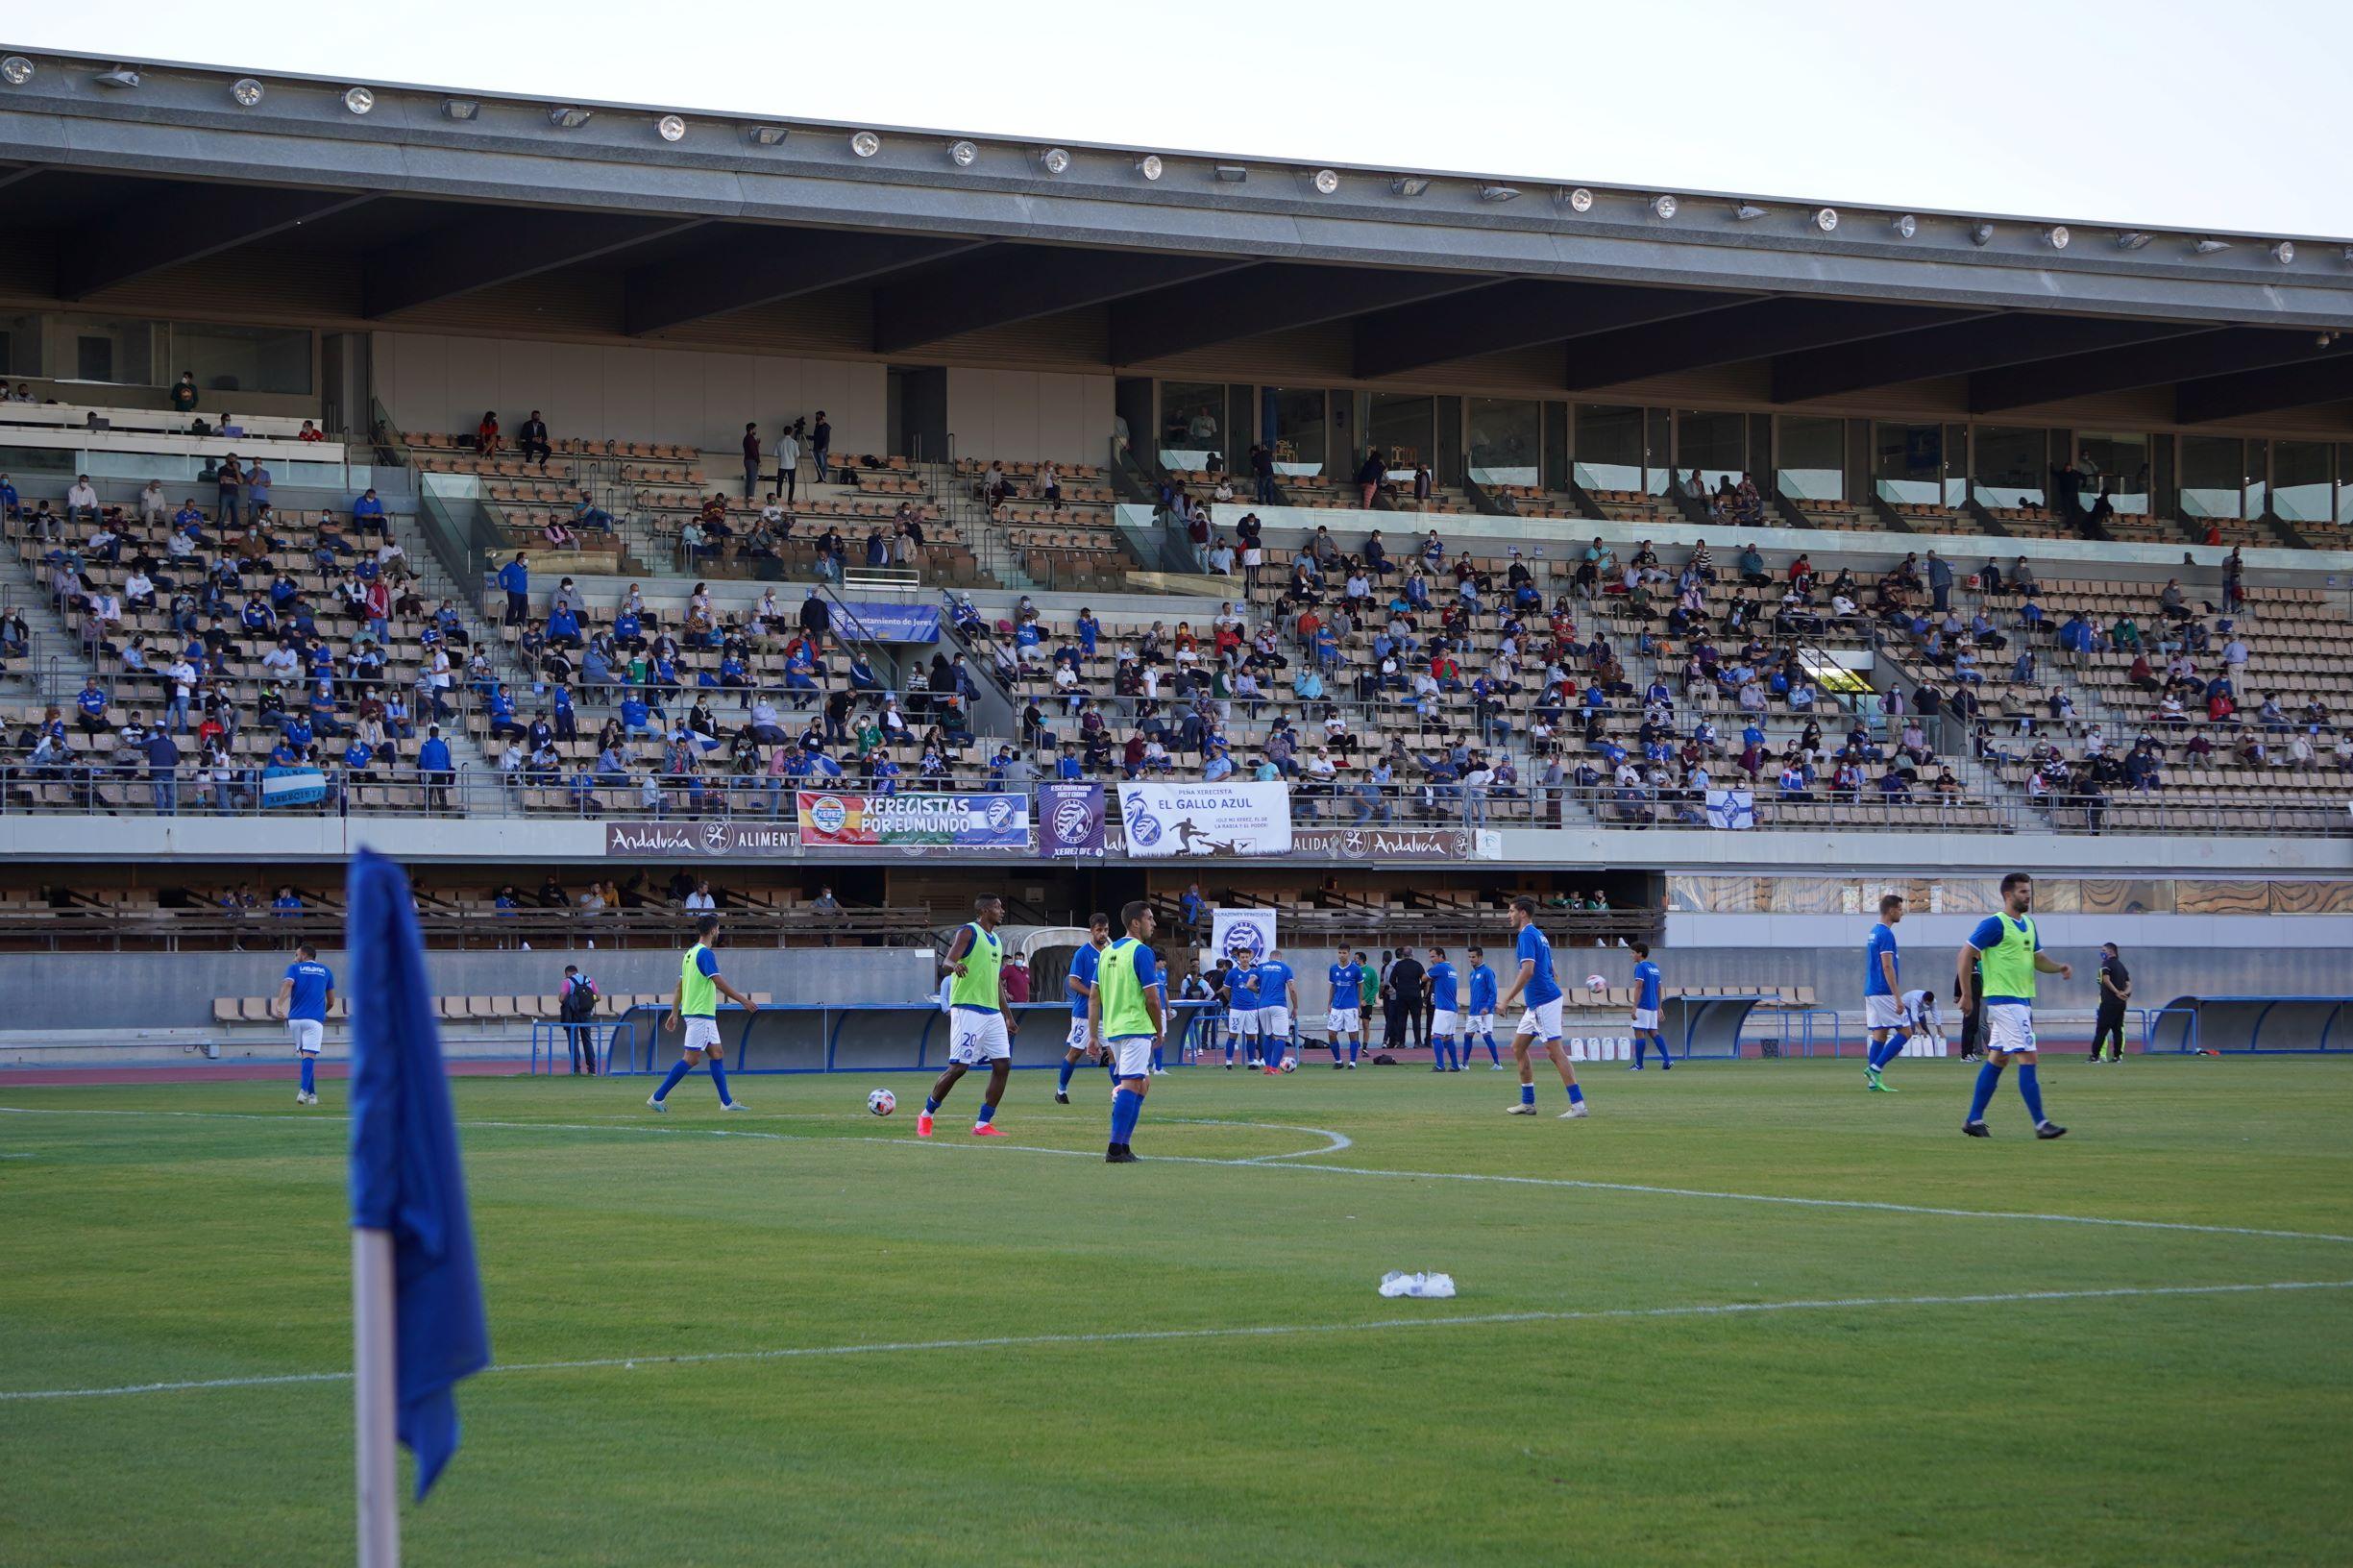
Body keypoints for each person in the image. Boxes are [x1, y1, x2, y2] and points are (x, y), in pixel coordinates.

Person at [1958, 872, 2071, 1139]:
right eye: (2022, 892)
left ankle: (1973, 1119)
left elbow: (2037, 959)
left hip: (2021, 1001)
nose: (2027, 895)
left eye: (2028, 891)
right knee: (2028, 1056)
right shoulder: (1994, 924)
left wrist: (2058, 968)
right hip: (2005, 1001)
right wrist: (1967, 994)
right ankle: (2041, 1124)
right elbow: (1965, 954)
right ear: (2008, 896)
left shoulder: (2029, 924)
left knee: (1998, 1058)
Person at [919, 894, 1017, 1138]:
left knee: (1003, 1064)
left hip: (992, 1012)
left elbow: (996, 983)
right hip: (967, 1008)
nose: (1001, 910)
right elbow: (948, 961)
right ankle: (926, 1114)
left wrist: (1008, 1016)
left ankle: (983, 1124)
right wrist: (956, 966)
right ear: (984, 910)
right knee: (959, 1067)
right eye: (997, 906)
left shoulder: (996, 941)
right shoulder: (969, 932)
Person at [647, 913, 758, 1113]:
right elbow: (718, 981)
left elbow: (679, 987)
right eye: (719, 928)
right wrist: (743, 1000)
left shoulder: (689, 954)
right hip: (701, 1014)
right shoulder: (705, 954)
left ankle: (726, 1102)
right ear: (714, 930)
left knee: (717, 1054)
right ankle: (657, 1097)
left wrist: (674, 1012)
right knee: (691, 1058)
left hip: (697, 1013)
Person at [1091, 899, 1165, 1164]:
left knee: (1142, 1085)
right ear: (1136, 922)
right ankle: (1115, 1147)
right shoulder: (1142, 952)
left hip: (1114, 1029)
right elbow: (1152, 998)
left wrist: (1093, 1035)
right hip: (1135, 1027)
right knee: (1132, 1085)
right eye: (1150, 919)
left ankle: (1123, 1144)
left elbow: (1094, 997)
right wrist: (1160, 1030)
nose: (1153, 924)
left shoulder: (1106, 953)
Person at [1502, 895, 1586, 1117]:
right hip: (1539, 1003)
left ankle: (1578, 1105)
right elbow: (1551, 968)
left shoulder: (1527, 935)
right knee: (1518, 1047)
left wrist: (1506, 999)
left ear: (1522, 913)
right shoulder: (1538, 935)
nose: (1508, 915)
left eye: (1511, 911)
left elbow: (1528, 970)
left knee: (1554, 1052)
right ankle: (1528, 1103)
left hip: (1543, 1001)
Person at [1056, 914, 1113, 1104]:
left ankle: (1119, 1094)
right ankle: (1061, 1091)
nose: (1102, 934)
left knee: (1112, 1053)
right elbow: (1073, 982)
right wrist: (1094, 995)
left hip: (1107, 1013)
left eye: (1105, 930)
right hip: (1084, 1013)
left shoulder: (1110, 953)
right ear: (1092, 931)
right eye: (1099, 930)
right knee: (1075, 1053)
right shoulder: (1083, 953)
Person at [274, 942, 335, 1107]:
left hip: (294, 1019)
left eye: (296, 954)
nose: (295, 958)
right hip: (314, 1019)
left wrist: (279, 1004)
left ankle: (313, 1095)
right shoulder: (326, 971)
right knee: (310, 1056)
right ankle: (303, 1091)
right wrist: (323, 1011)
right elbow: (331, 1001)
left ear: (304, 955)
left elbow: (287, 984)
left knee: (305, 1057)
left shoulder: (294, 969)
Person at [1862, 892, 1907, 1091]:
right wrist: (1898, 997)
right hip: (1883, 991)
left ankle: (1873, 1083)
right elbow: (1887, 967)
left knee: (1879, 1035)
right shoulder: (1886, 934)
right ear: (1891, 911)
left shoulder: (1874, 932)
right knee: (1906, 1031)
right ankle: (1875, 1068)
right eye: (1899, 909)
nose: (1902, 914)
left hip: (1871, 990)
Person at [1252, 947, 1297, 1074]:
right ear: (1280, 958)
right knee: (1280, 1038)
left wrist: (1260, 992)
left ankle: (1267, 1067)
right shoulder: (1285, 968)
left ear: (1269, 958)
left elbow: (1249, 984)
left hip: (1262, 1006)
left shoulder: (1260, 968)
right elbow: (1292, 989)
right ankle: (1273, 1068)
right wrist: (1296, 1007)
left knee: (1268, 1036)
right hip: (1278, 1005)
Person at [1629, 942, 1670, 1069]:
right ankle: (1667, 1060)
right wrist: (1659, 1007)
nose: (1632, 955)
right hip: (1653, 1006)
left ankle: (1639, 1065)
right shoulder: (1654, 967)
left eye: (1633, 953)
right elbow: (1659, 988)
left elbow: (1639, 987)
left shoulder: (1640, 967)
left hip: (1643, 1005)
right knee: (1654, 1033)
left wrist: (1634, 1007)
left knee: (1639, 1033)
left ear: (1640, 954)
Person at [1219, 949, 1262, 1069]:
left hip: (1251, 1008)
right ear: (1238, 958)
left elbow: (1258, 988)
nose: (1244, 959)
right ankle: (1228, 1062)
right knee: (1233, 1034)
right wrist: (1231, 1001)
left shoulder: (1255, 972)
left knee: (1251, 1036)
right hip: (1237, 1009)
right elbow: (1226, 989)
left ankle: (1251, 1062)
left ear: (1250, 958)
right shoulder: (1232, 973)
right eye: (1242, 957)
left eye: (1247, 957)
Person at [2092, 942, 2131, 1064]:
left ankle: (2095, 1056)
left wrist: (2116, 992)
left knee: (2102, 1029)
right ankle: (2117, 1056)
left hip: (2109, 1002)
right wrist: (2125, 993)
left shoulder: (2106, 964)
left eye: (2104, 950)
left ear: (2111, 951)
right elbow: (2129, 984)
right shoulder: (2121, 966)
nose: (2102, 952)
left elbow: (2106, 980)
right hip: (2120, 1003)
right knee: (2117, 1030)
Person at [1464, 945, 1503, 1068]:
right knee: (1467, 1036)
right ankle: (1465, 1064)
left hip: (1484, 1011)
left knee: (1486, 1036)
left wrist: (1488, 1007)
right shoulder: (1472, 974)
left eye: (1473, 957)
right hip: (1473, 1011)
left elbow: (1493, 992)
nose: (1471, 959)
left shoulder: (1487, 972)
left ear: (1480, 957)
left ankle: (1497, 1063)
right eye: (1469, 957)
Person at [558, 964, 601, 1075]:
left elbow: (561, 998)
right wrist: (587, 1002)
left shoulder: (567, 982)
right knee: (587, 1041)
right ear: (577, 971)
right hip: (586, 1014)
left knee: (573, 1042)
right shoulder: (589, 980)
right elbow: (598, 997)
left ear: (567, 973)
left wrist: (572, 1002)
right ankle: (592, 1070)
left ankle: (576, 1070)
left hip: (572, 1015)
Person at [1426, 947, 1462, 1072]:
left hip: (1443, 1008)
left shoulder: (1440, 967)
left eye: (1433, 957)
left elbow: (1424, 978)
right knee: (1448, 1038)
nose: (1431, 960)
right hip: (1452, 1008)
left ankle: (1440, 1065)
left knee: (1436, 1036)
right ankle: (1455, 1065)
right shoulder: (1452, 969)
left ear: (1441, 956)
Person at [1324, 950, 1362, 1069]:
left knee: (1353, 1034)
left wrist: (1359, 1004)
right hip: (1336, 1007)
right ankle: (1338, 1061)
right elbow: (1332, 986)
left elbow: (1361, 987)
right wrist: (1329, 1003)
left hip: (1351, 1007)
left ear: (1348, 954)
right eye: (1340, 952)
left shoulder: (1355, 969)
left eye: (1344, 953)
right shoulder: (1333, 969)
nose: (1342, 955)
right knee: (1331, 1033)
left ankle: (1352, 1062)